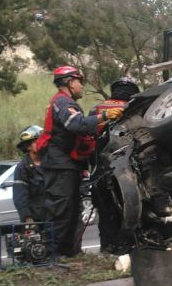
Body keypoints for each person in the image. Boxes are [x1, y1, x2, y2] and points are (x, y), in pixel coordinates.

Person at [39, 66, 124, 257]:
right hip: (59, 165)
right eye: (79, 82)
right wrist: (104, 116)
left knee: (71, 211)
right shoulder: (62, 102)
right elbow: (75, 124)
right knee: (60, 210)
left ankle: (67, 253)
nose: (81, 87)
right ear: (70, 82)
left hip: (67, 164)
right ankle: (51, 255)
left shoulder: (64, 102)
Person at [92, 77, 140, 253]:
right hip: (130, 172)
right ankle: (132, 248)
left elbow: (86, 138)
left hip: (101, 172)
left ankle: (108, 249)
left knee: (106, 214)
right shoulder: (137, 108)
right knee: (132, 211)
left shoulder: (97, 109)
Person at [12, 125, 45, 223]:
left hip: (52, 216)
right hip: (35, 219)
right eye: (37, 141)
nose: (42, 143)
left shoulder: (49, 163)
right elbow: (20, 197)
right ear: (29, 146)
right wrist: (27, 218)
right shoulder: (22, 168)